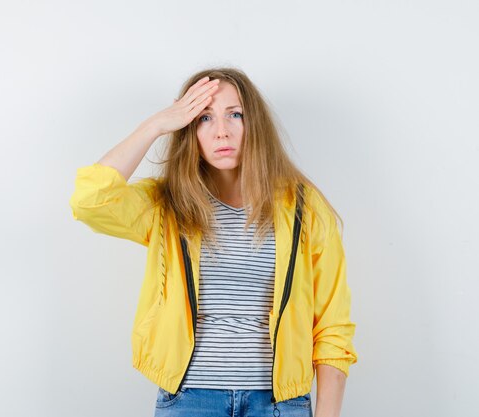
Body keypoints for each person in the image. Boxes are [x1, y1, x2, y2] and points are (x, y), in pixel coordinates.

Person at [69, 67, 358, 417]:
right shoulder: (167, 204)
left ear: (256, 125)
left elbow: (331, 330)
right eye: (204, 117)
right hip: (191, 401)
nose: (222, 131)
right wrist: (156, 124)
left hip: (280, 405)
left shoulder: (304, 207)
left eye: (235, 115)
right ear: (188, 130)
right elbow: (89, 201)